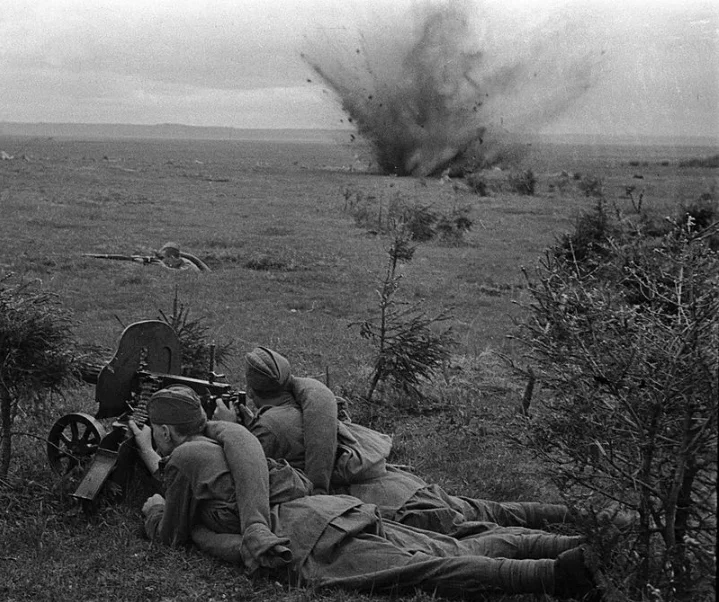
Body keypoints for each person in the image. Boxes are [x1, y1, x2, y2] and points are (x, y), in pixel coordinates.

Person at [130, 385, 602, 601]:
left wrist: (154, 504)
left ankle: (551, 576)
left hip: (311, 537)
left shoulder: (187, 458)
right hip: (330, 508)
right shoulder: (223, 439)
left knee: (427, 565)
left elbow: (172, 533)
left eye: (157, 432)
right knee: (445, 543)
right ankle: (568, 547)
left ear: (168, 432)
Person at [213, 347, 574, 539]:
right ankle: (585, 517)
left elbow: (247, 474)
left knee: (482, 532)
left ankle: (573, 545)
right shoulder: (297, 409)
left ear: (252, 385)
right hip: (398, 484)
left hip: (394, 505)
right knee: (490, 510)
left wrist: (227, 428)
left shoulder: (268, 430)